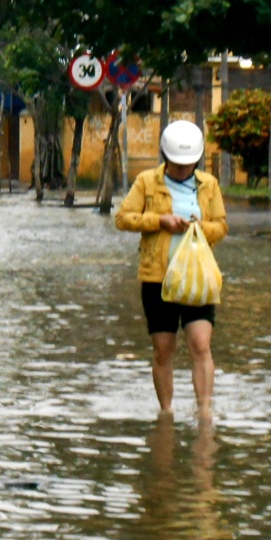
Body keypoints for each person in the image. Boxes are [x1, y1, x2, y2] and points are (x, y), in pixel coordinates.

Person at [115, 120, 228, 418]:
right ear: (165, 157)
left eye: (187, 164)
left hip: (197, 279)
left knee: (200, 344)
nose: (182, 169)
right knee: (163, 348)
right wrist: (159, 221)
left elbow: (221, 226)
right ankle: (166, 413)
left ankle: (204, 413)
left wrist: (199, 227)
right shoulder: (146, 182)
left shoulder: (209, 185)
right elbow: (123, 218)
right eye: (177, 164)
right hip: (158, 279)